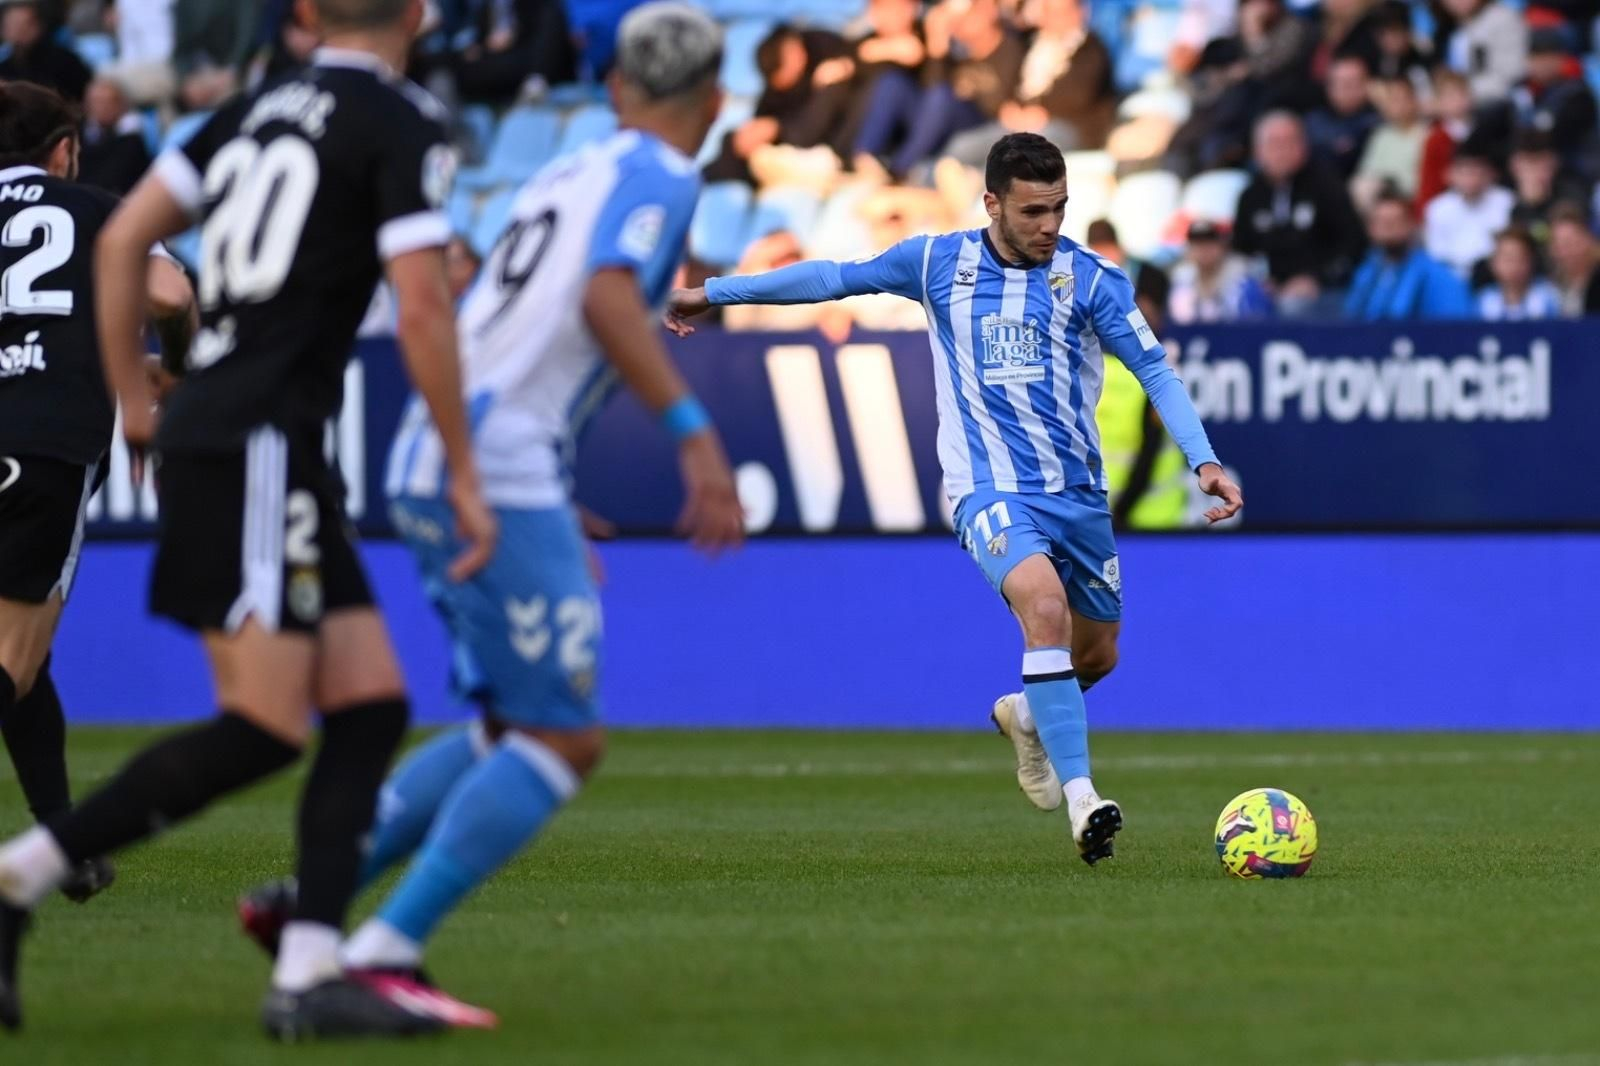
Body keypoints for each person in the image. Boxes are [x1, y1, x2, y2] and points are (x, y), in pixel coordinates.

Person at [234, 3, 743, 1027]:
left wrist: (536, 482)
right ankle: (386, 946)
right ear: (717, 102)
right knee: (563, 739)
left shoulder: (562, 171)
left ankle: (310, 905)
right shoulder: (661, 177)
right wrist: (693, 435)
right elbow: (606, 298)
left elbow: (492, 319)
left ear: (610, 89)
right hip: (495, 463)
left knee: (505, 722)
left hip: (446, 450)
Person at [0, 0, 498, 1040]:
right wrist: (462, 465)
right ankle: (18, 878)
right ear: (417, 14)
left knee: (366, 709)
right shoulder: (404, 124)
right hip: (259, 434)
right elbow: (420, 304)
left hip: (245, 432)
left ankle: (309, 970)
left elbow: (132, 230)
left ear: (309, 15)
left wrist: (143, 399)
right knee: (266, 724)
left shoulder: (256, 108)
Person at [666, 133, 1243, 864]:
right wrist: (715, 293)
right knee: (1043, 609)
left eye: (1060, 209)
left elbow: (1156, 372)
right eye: (1034, 211)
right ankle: (1083, 800)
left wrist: (1206, 461)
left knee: (1097, 656)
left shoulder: (1090, 279)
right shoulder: (939, 263)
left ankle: (1026, 716)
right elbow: (832, 279)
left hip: (1078, 496)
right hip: (988, 489)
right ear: (992, 203)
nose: (1049, 225)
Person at [0, 80, 194, 938]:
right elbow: (171, 296)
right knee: (14, 654)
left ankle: (62, 843)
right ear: (64, 151)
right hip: (42, 440)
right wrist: (173, 365)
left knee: (24, 668)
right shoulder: (89, 208)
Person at [1232, 110, 1366, 315]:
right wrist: (1261, 281)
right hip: (1269, 288)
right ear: (1258, 151)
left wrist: (1316, 279)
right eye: (1274, 143)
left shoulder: (1327, 187)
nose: (1282, 151)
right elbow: (1242, 250)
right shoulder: (1250, 196)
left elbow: (1352, 245)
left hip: (1323, 290)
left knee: (1294, 306)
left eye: (1289, 142)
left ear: (1303, 146)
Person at [1345, 191, 1473, 319]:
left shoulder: (1438, 275)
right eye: (1381, 221)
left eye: (1395, 221)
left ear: (1412, 224)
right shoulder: (1366, 272)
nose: (1388, 228)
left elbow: (1454, 328)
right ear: (1370, 228)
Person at [1423, 140, 1514, 279]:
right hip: (1450, 280)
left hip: (1494, 278)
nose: (1471, 179)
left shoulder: (1507, 202)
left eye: (1477, 171)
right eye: (1464, 172)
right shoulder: (1438, 208)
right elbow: (1437, 256)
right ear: (1450, 174)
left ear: (1490, 173)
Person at [1168, 219, 1273, 323]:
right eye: (1197, 244)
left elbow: (1253, 326)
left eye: (1209, 243)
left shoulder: (1242, 282)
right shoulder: (1181, 282)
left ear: (1222, 247)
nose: (1204, 250)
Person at [1351, 74, 1426, 209]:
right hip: (1378, 199)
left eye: (1399, 99)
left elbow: (1421, 181)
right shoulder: (1381, 135)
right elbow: (1367, 171)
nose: (1394, 105)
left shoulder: (1427, 135)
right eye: (1390, 100)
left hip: (1407, 200)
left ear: (1414, 100)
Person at [0, 0, 92, 102]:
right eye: (12, 24)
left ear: (39, 25)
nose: (18, 30)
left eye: (24, 24)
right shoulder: (4, 68)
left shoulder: (65, 62)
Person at [1305, 55, 1379, 178]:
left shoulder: (1378, 122)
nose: (1350, 90)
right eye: (1343, 84)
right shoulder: (1313, 121)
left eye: (1356, 83)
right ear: (1329, 87)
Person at [77, 76, 152, 195]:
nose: (102, 107)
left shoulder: (132, 142)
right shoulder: (78, 136)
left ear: (122, 105)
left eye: (108, 102)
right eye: (97, 102)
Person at [1477, 226, 1562, 320]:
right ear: (1493, 263)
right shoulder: (1484, 299)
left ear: (1531, 261)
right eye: (1508, 259)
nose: (1514, 265)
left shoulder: (1548, 296)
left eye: (1520, 258)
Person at [1546, 202, 1600, 315]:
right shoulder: (1549, 288)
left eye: (1570, 243)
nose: (1565, 253)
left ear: (1589, 240)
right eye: (1559, 245)